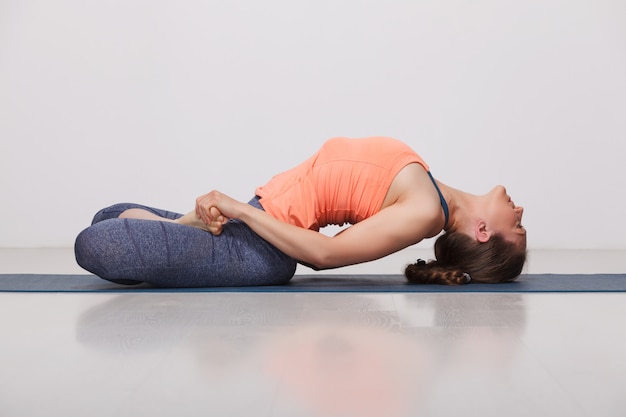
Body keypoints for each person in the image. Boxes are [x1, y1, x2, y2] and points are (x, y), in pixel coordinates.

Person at [74, 136, 526, 287]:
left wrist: (236, 209)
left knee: (98, 241)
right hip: (256, 220)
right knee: (107, 215)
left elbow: (323, 256)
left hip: (261, 252)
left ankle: (192, 234)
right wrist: (241, 212)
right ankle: (188, 234)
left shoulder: (427, 211)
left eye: (518, 224)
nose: (519, 208)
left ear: (483, 231)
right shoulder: (429, 188)